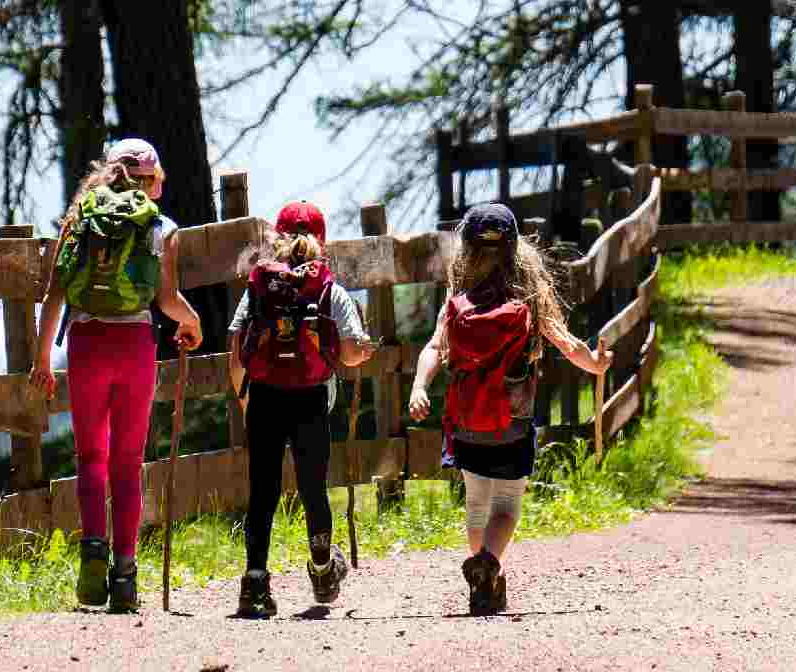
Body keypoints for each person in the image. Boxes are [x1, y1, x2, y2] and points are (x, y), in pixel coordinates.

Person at [407, 203, 611, 615]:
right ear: (516, 247)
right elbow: (564, 341)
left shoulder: (458, 293)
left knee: (477, 503)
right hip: (512, 424)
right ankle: (489, 565)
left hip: (466, 423)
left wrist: (418, 386)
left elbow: (434, 347)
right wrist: (595, 363)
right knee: (506, 507)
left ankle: (483, 585)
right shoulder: (528, 292)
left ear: (465, 247)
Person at [29, 138, 202, 612]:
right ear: (155, 181)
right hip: (134, 348)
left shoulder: (80, 218)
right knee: (127, 462)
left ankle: (91, 557)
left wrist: (43, 360)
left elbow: (53, 296)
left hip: (86, 344)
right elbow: (166, 299)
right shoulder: (161, 227)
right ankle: (124, 574)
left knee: (91, 457)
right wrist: (193, 323)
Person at [227, 201, 375, 617]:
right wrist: (362, 352)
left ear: (276, 237)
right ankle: (324, 570)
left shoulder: (259, 287)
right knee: (313, 488)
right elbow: (348, 352)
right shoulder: (329, 289)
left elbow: (237, 353)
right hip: (310, 399)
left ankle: (255, 583)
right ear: (321, 240)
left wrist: (244, 401)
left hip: (265, 397)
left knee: (263, 492)